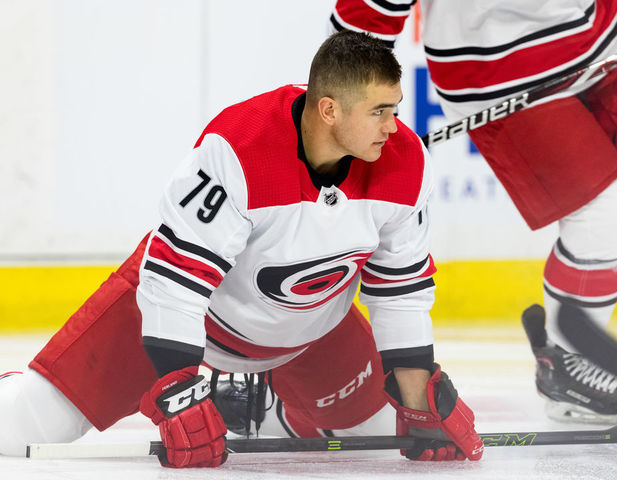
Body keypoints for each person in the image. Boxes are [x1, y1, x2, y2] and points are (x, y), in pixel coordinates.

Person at [0, 31, 484, 468]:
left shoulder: (406, 163)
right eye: (379, 112)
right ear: (330, 109)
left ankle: (269, 408)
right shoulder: (240, 147)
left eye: (395, 109)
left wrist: (419, 401)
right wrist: (181, 391)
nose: (393, 127)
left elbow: (400, 289)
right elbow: (174, 281)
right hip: (187, 323)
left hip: (313, 330)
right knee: (23, 429)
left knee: (378, 435)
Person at [329, 0, 617, 423]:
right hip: (501, 73)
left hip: (605, 42)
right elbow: (366, 17)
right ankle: (566, 371)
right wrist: (350, 105)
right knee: (605, 215)